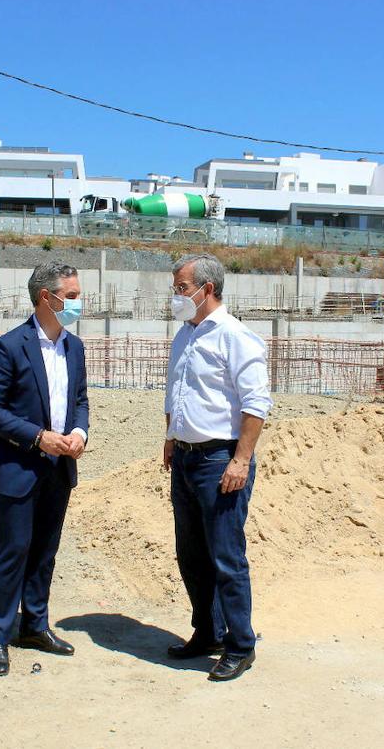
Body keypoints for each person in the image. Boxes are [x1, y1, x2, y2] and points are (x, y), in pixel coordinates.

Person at [0, 260, 89, 677]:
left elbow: (79, 400)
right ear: (47, 297)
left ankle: (35, 625)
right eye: (72, 297)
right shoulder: (9, 346)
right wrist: (38, 437)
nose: (79, 303)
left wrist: (79, 432)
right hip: (20, 466)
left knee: (44, 553)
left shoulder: (74, 347)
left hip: (60, 467)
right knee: (13, 552)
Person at [162, 253, 272, 682]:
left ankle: (240, 644)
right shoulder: (184, 336)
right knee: (191, 554)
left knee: (226, 556)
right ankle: (206, 631)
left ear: (207, 290)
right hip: (186, 458)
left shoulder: (235, 337)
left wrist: (241, 460)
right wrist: (171, 437)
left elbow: (256, 404)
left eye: (181, 287)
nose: (176, 296)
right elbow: (178, 392)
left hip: (219, 460)